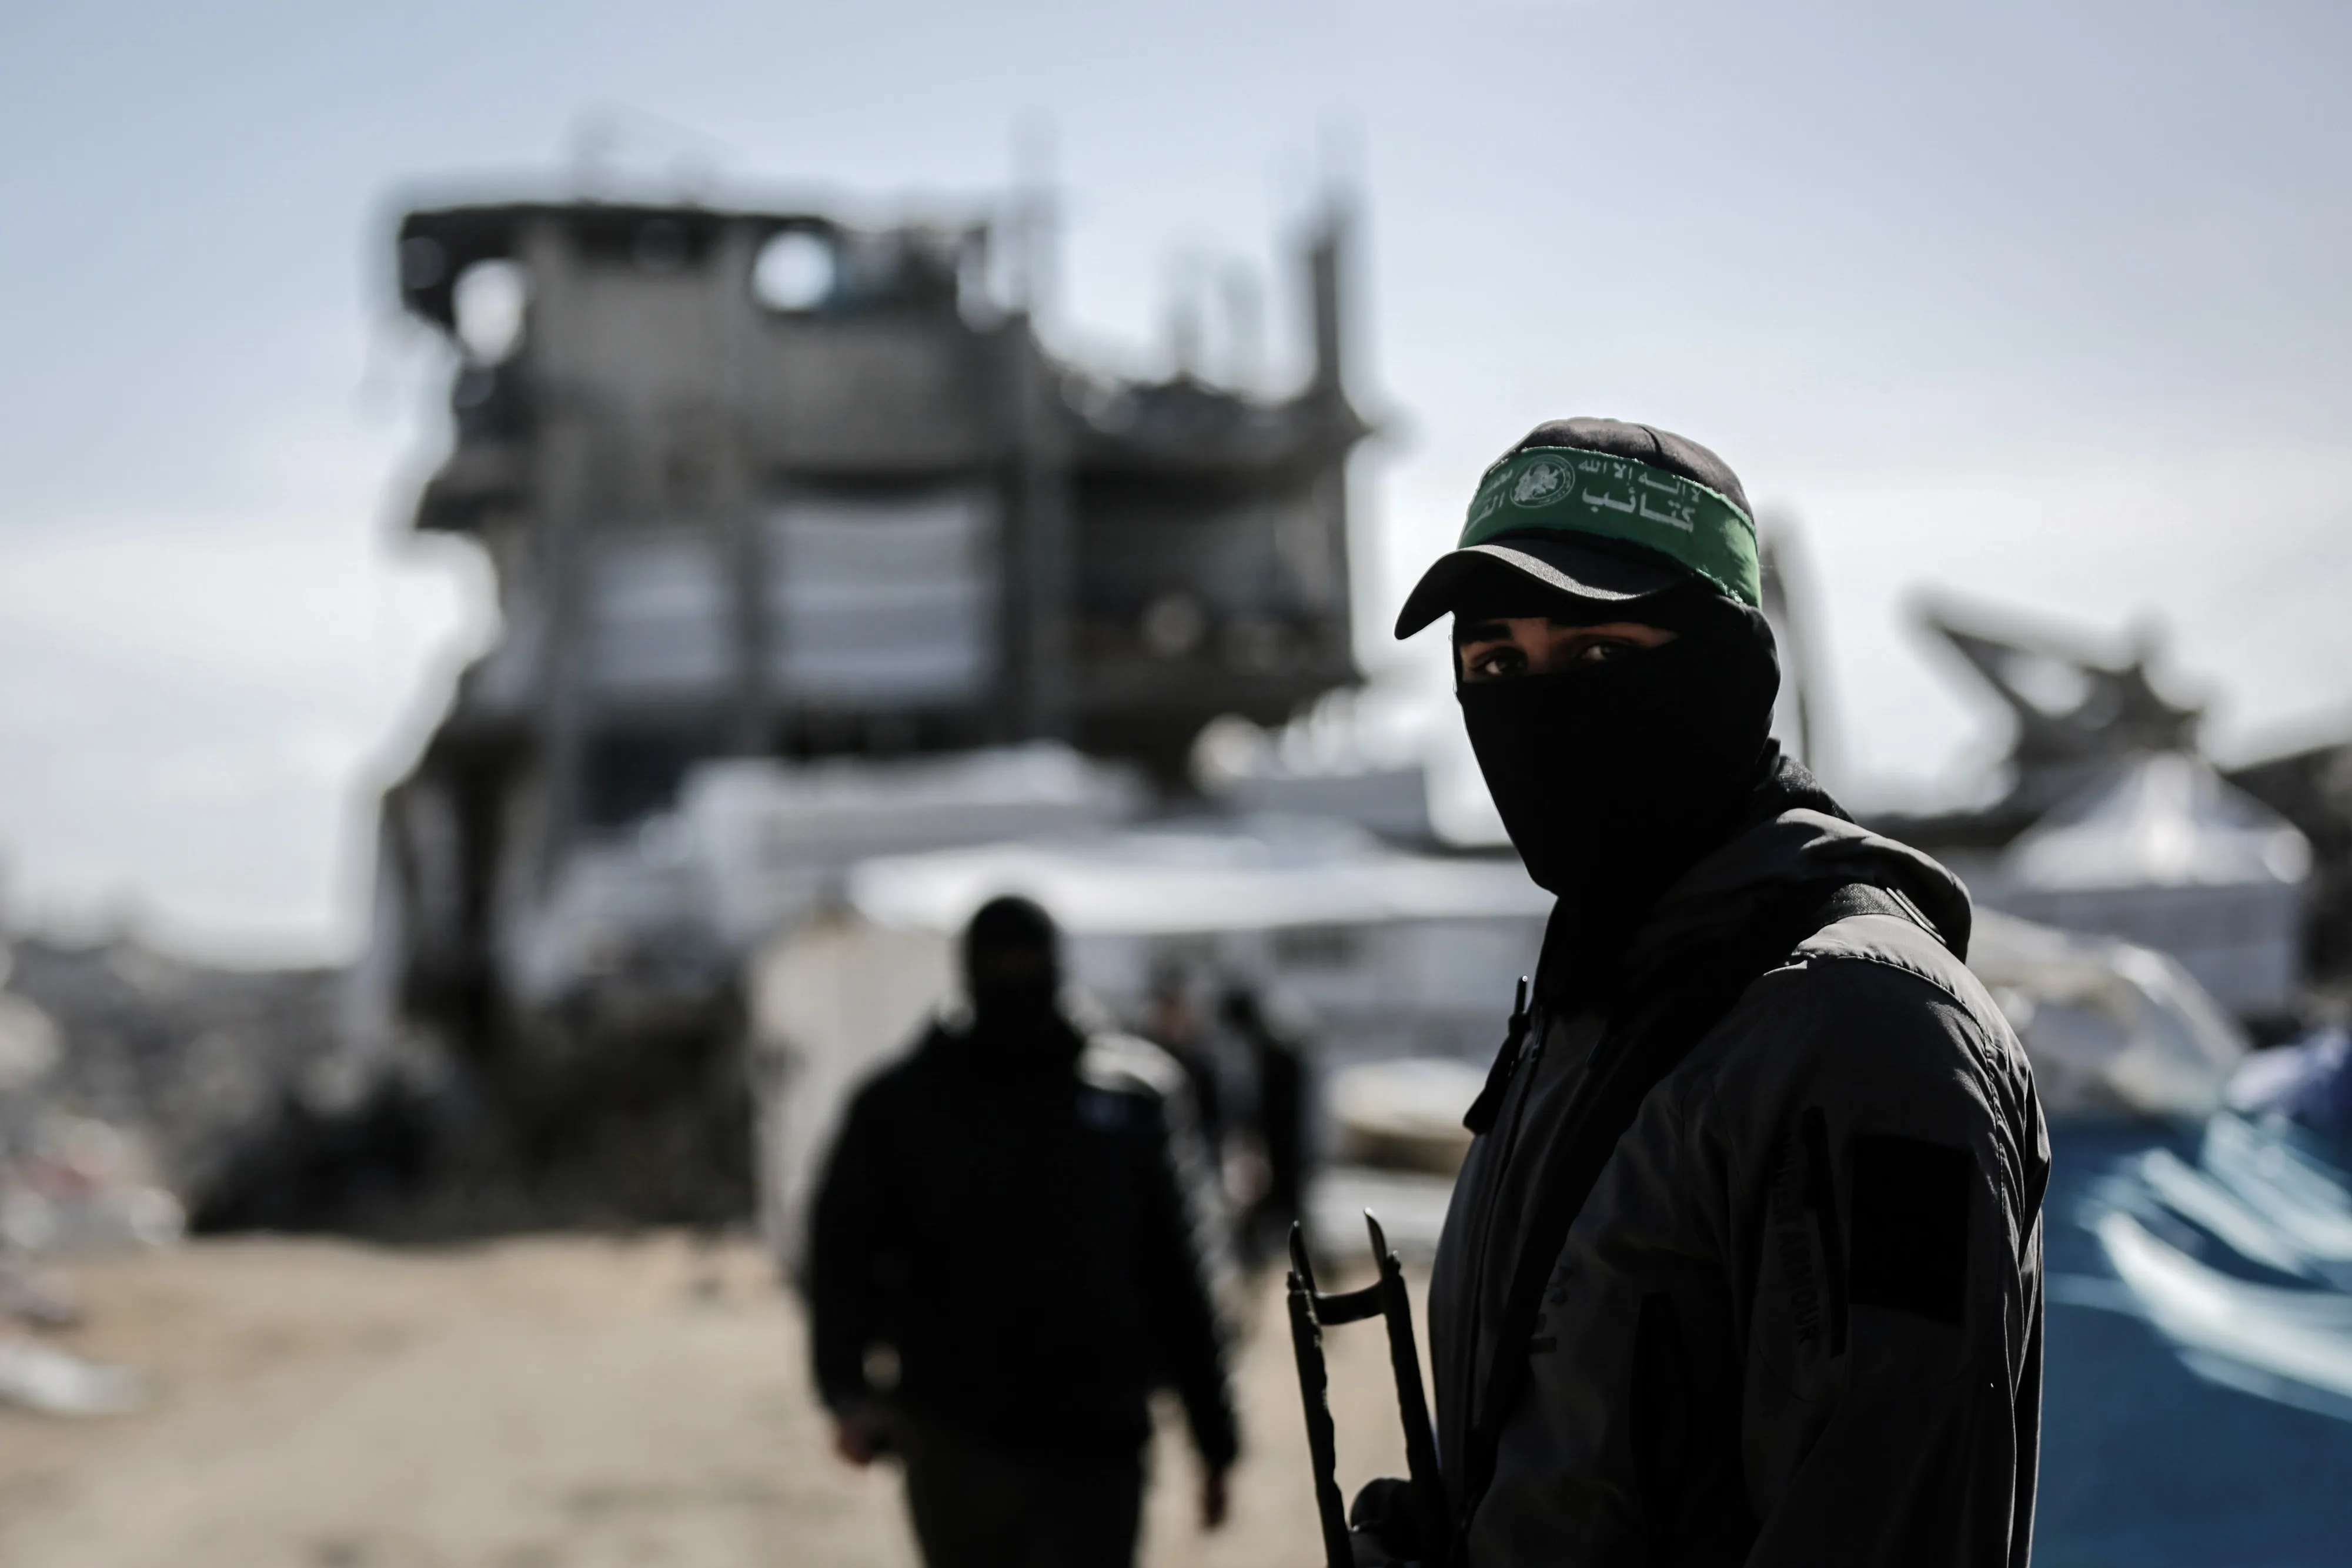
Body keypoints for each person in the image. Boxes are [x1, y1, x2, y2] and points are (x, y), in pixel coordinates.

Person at [1356, 419, 2048, 1567]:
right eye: (1491, 666)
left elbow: (1886, 1521)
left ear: (1722, 669)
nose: (1535, 706)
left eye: (1591, 657)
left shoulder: (1865, 1033)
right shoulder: (1593, 1003)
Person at [807, 895, 1238, 1568]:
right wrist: (843, 1391)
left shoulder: (1130, 1101)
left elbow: (1182, 1273)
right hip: (953, 1434)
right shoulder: (903, 1105)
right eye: (999, 961)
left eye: (1026, 960)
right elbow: (840, 1256)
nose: (1014, 975)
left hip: (1095, 1438)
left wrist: (1216, 1442)